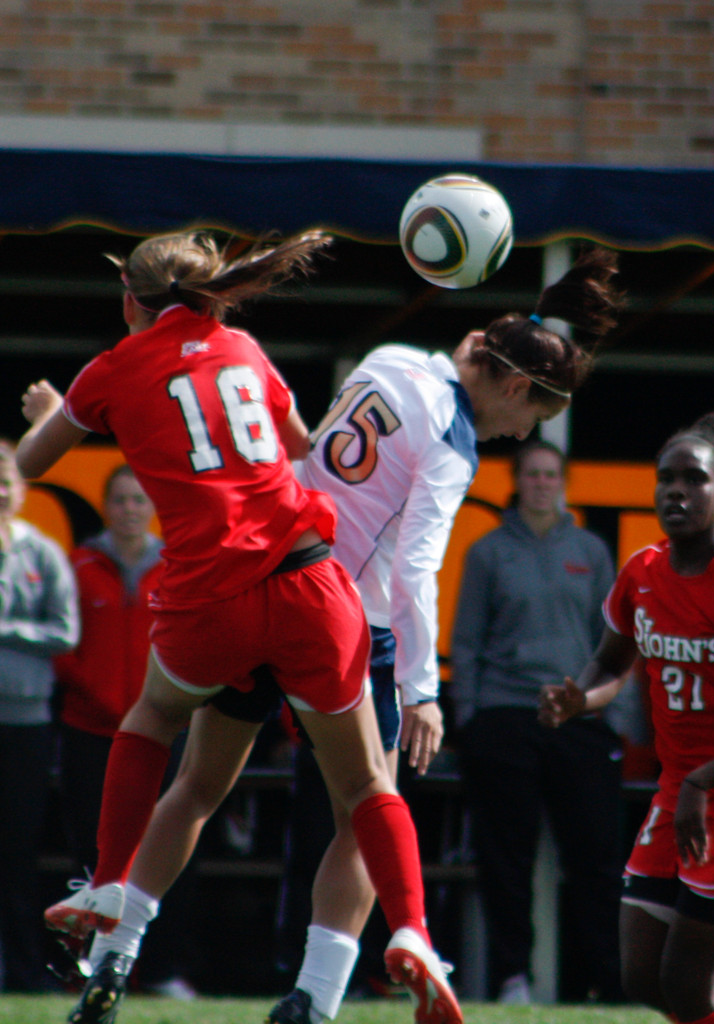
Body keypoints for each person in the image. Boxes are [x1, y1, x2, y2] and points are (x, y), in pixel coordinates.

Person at [58, 245, 624, 1024]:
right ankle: (318, 998)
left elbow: (306, 442)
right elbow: (415, 577)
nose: (517, 434)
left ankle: (113, 952)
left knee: (195, 786)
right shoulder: (452, 450)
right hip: (340, 618)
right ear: (518, 386)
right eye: (530, 419)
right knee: (368, 802)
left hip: (258, 575)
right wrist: (423, 692)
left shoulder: (391, 358)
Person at [15, 227, 462, 1024]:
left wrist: (60, 410)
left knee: (160, 730)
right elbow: (300, 449)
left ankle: (113, 887)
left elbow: (31, 463)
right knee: (364, 785)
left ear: (131, 301)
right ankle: (416, 933)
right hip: (306, 583)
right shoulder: (245, 347)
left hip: (211, 601)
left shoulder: (113, 368)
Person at [539, 410, 714, 1024]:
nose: (676, 490)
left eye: (694, 479)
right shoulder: (642, 572)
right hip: (679, 794)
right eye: (665, 479)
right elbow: (611, 662)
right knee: (641, 975)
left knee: (685, 983)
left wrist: (704, 782)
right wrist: (580, 697)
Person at [450, 438, 625, 1003]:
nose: (543, 483)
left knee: (596, 859)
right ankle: (512, 979)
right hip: (504, 718)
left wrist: (616, 716)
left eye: (552, 475)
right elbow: (467, 642)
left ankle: (606, 980)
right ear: (518, 481)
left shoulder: (592, 552)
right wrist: (470, 718)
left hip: (577, 719)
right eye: (533, 475)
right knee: (506, 860)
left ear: (564, 482)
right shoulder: (487, 552)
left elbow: (616, 643)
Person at [54, 463, 197, 998]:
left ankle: (160, 971)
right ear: (105, 506)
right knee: (91, 858)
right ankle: (84, 969)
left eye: (140, 499)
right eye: (120, 500)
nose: (131, 509)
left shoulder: (179, 563)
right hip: (91, 732)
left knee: (168, 855)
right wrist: (94, 694)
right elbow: (63, 645)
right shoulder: (78, 564)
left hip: (166, 733)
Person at [0, 441, 79, 991]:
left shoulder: (44, 552)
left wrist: (5, 632)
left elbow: (65, 632)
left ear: (23, 489)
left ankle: (25, 970)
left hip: (25, 725)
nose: (0, 491)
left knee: (16, 851)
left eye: (7, 479)